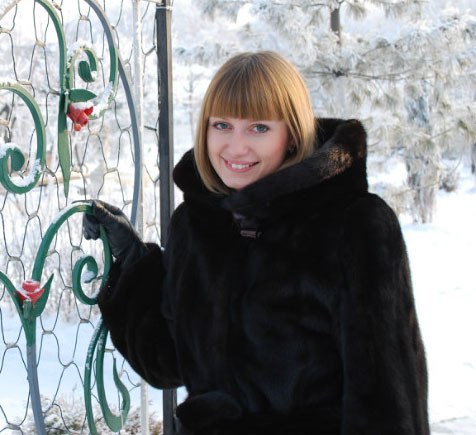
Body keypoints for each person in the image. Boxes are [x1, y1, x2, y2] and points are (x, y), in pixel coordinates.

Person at [83, 51, 430, 435]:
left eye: (259, 128)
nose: (236, 147)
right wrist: (134, 262)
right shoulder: (196, 224)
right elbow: (167, 362)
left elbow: (385, 402)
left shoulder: (353, 225)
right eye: (222, 125)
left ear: (292, 133)